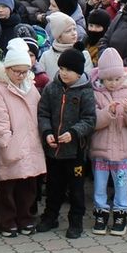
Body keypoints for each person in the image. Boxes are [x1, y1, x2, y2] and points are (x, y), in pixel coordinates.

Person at [35, 46, 97, 239]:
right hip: (53, 150)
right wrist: (46, 132)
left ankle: (76, 221)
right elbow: (43, 113)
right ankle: (50, 216)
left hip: (75, 151)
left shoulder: (85, 92)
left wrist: (74, 133)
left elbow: (89, 119)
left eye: (68, 70)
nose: (63, 73)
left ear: (79, 72)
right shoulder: (51, 89)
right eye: (61, 68)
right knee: (54, 186)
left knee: (76, 188)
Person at [0, 38, 46, 238]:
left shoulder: (31, 88)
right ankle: (6, 221)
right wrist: (5, 139)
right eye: (17, 72)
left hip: (31, 143)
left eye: (25, 71)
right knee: (7, 185)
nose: (21, 76)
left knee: (28, 185)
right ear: (7, 69)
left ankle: (26, 218)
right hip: (11, 144)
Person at [89, 48, 127, 236]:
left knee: (121, 184)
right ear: (101, 78)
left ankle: (120, 214)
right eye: (109, 80)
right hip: (101, 151)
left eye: (117, 79)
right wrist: (107, 113)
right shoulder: (95, 94)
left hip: (122, 153)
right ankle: (100, 214)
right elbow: (93, 122)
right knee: (100, 185)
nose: (113, 83)